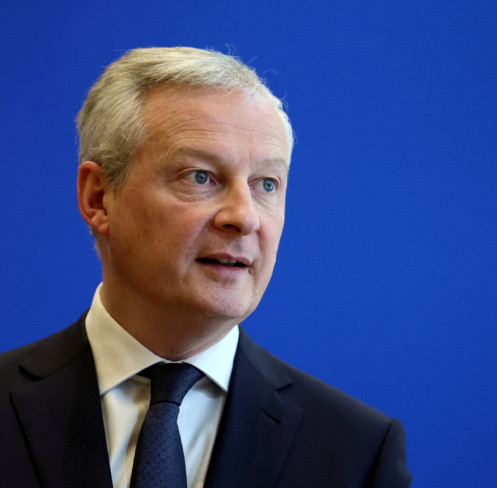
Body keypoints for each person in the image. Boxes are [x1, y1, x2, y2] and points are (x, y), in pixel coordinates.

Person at [0, 47, 411, 488]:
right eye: (200, 176)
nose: (245, 216)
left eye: (266, 184)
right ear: (99, 197)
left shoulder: (356, 452)